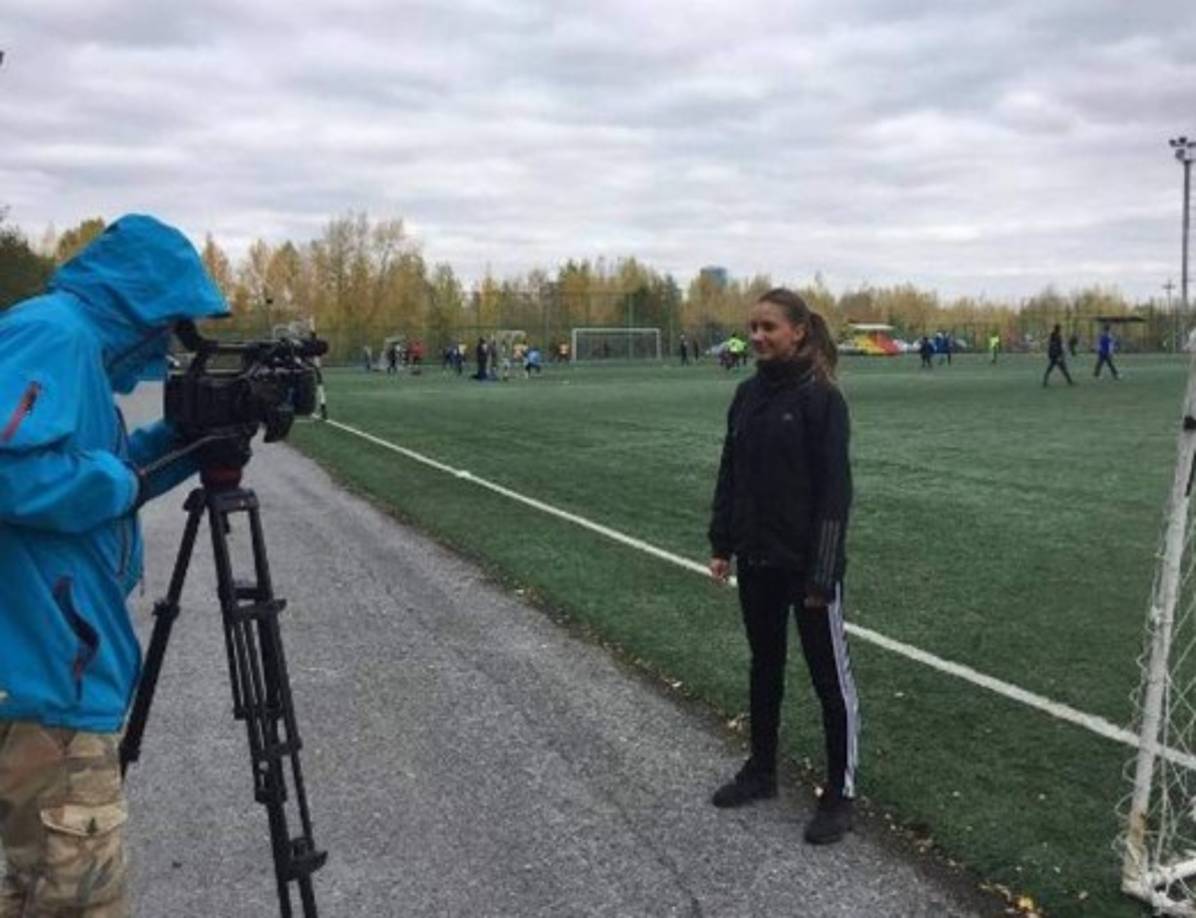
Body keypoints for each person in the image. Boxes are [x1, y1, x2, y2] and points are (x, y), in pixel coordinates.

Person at [0, 214, 231, 915]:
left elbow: (96, 476)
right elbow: (13, 474)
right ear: (141, 305)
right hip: (50, 692)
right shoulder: (55, 333)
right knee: (74, 900)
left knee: (25, 888)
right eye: (169, 325)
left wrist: (189, 442)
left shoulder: (74, 349)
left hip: (50, 681)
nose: (167, 347)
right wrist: (120, 480)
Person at [708, 287, 858, 846]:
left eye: (768, 327)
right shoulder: (746, 396)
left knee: (829, 682)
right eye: (752, 328)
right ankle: (761, 771)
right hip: (757, 559)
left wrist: (822, 573)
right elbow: (731, 473)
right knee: (764, 667)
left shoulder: (823, 400)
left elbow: (834, 496)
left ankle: (839, 793)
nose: (757, 337)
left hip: (807, 570)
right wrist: (723, 543)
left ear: (798, 331)